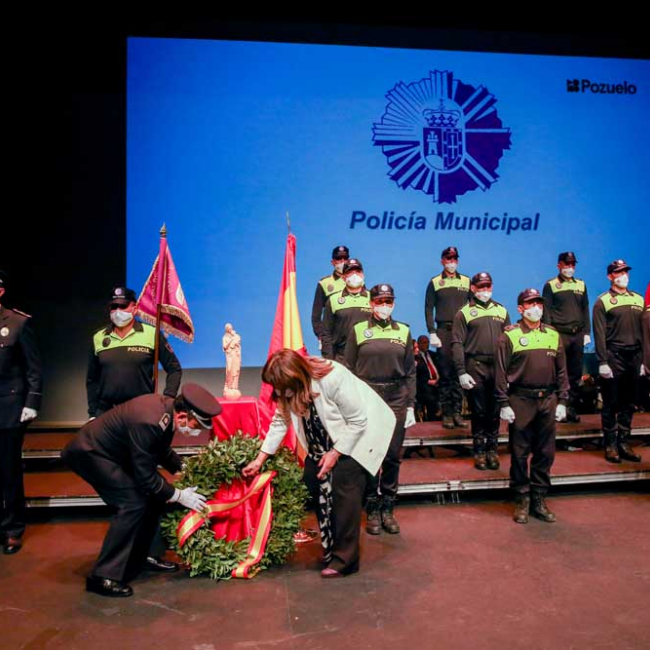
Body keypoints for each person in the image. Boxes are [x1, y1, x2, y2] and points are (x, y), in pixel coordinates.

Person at [242, 350, 395, 578]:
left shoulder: (332, 378)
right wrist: (260, 459)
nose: (278, 392)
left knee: (345, 496)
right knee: (313, 482)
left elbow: (358, 420)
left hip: (357, 437)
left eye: (281, 387)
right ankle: (331, 550)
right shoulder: (289, 389)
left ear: (295, 378)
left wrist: (335, 453)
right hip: (322, 444)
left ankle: (345, 561)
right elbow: (280, 421)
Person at [61, 384, 222, 597]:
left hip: (113, 453)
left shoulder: (167, 413)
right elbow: (145, 477)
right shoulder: (149, 421)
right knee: (132, 503)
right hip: (91, 453)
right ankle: (102, 577)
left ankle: (145, 556)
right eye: (196, 426)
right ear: (183, 416)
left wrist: (184, 469)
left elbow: (160, 449)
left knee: (152, 498)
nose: (196, 431)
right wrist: (179, 496)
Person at [345, 284, 416, 535]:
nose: (384, 305)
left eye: (388, 301)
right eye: (379, 301)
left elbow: (410, 372)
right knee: (370, 454)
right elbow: (348, 369)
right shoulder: (358, 330)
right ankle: (372, 508)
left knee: (392, 456)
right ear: (371, 303)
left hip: (396, 397)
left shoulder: (403, 330)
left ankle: (388, 507)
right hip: (368, 397)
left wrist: (411, 405)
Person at [496, 288, 569, 524]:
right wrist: (503, 403)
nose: (536, 308)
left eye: (539, 303)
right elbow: (500, 373)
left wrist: (563, 400)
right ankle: (522, 498)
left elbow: (561, 371)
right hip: (520, 400)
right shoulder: (509, 335)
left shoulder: (553, 334)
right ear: (520, 309)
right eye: (530, 304)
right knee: (519, 453)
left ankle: (539, 498)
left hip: (548, 399)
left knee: (545, 452)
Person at [86, 287, 182, 418]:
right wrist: (93, 413)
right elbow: (92, 379)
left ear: (135, 309)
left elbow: (174, 368)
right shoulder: (98, 337)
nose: (118, 311)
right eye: (114, 307)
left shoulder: (151, 333)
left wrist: (168, 399)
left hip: (141, 411)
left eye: (123, 306)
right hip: (106, 412)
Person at [0, 270, 42, 554]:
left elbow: (33, 369)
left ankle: (12, 529)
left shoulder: (17, 322)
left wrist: (32, 402)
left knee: (8, 472)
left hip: (8, 408)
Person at [452, 272, 510, 470]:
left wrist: (509, 370)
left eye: (488, 286)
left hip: (497, 366)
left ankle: (492, 450)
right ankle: (479, 451)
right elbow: (457, 343)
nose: (485, 290)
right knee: (479, 410)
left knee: (494, 410)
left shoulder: (501, 310)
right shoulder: (464, 313)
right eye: (481, 287)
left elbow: (510, 342)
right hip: (475, 365)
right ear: (473, 288)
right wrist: (461, 371)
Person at [593, 260, 644, 463]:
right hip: (614, 355)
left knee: (629, 402)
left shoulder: (638, 299)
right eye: (618, 272)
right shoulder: (603, 301)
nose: (623, 275)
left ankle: (624, 442)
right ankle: (611, 444)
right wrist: (602, 361)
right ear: (610, 276)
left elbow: (645, 332)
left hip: (635, 356)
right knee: (611, 402)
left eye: (625, 272)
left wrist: (645, 360)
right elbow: (599, 334)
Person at [424, 246, 470, 429]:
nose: (452, 262)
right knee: (445, 374)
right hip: (443, 331)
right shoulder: (435, 282)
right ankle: (447, 414)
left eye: (454, 259)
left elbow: (473, 307)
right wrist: (432, 331)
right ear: (442, 261)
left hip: (462, 332)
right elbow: (428, 308)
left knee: (460, 372)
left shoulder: (466, 281)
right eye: (448, 259)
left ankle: (458, 413)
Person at [542, 252, 591, 423]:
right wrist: (549, 334)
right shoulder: (551, 285)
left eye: (572, 264)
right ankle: (557, 408)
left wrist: (587, 333)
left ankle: (570, 408)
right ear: (559, 265)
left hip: (577, 334)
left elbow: (585, 308)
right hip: (559, 334)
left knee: (575, 373)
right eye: (566, 264)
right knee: (559, 372)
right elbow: (546, 311)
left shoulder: (581, 285)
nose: (570, 267)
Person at [321, 259, 372, 361]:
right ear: (343, 277)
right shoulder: (333, 300)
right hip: (341, 358)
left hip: (368, 359)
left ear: (363, 275)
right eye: (350, 272)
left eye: (357, 271)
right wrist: (329, 360)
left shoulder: (373, 298)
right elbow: (326, 333)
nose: (354, 275)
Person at [311, 245, 350, 348]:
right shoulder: (324, 283)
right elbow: (316, 314)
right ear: (333, 262)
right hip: (333, 336)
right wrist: (320, 335)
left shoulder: (356, 281)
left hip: (352, 335)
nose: (342, 261)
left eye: (345, 258)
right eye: (339, 258)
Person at [415, 335, 439, 422]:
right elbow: (416, 376)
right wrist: (428, 381)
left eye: (428, 342)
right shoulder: (416, 358)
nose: (427, 344)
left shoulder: (433, 355)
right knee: (430, 397)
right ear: (419, 344)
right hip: (425, 385)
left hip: (438, 382)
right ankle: (432, 419)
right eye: (424, 343)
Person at [222, 322, 242, 398]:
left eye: (231, 328)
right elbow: (225, 347)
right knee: (229, 370)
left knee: (236, 370)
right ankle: (228, 386)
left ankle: (234, 387)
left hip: (235, 355)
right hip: (229, 355)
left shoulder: (236, 336)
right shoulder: (225, 338)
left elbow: (238, 343)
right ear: (227, 329)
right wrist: (231, 340)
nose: (231, 330)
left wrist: (234, 338)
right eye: (229, 329)